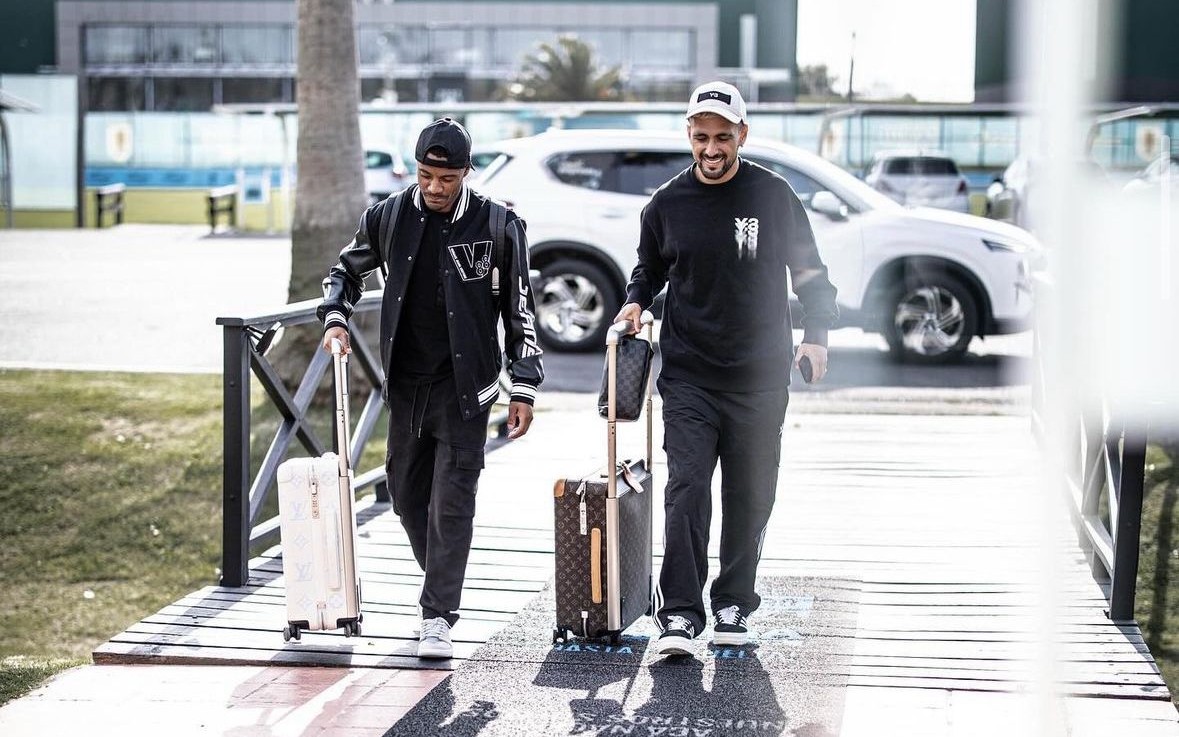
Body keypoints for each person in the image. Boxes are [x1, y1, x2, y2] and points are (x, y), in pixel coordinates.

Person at [614, 81, 838, 657]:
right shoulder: (666, 204)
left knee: (751, 491)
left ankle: (734, 600)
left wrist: (817, 336)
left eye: (722, 136)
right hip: (689, 373)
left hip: (762, 375)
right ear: (688, 135)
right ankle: (682, 615)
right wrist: (636, 301)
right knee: (686, 489)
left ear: (742, 134)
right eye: (700, 136)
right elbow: (649, 268)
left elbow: (810, 273)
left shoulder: (774, 195)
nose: (711, 147)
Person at [317, 117, 544, 658]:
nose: (435, 188)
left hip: (467, 390)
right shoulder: (389, 215)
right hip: (405, 386)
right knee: (404, 494)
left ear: (466, 173)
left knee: (451, 503)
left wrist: (525, 386)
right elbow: (345, 272)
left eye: (446, 178)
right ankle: (445, 570)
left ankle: (437, 614)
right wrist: (334, 317)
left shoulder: (499, 225)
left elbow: (520, 309)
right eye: (425, 176)